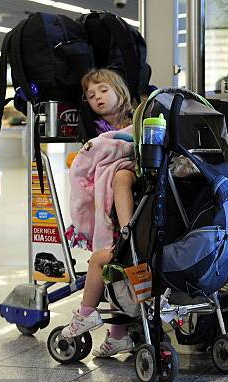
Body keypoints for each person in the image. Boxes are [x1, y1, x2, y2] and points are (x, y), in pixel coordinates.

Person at [62, 69, 137, 357]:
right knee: (114, 272)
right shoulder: (97, 132)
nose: (98, 98)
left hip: (134, 199)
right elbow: (90, 161)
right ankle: (118, 334)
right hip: (113, 214)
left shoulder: (140, 120)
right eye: (92, 96)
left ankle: (86, 314)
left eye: (103, 90)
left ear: (120, 90)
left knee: (106, 262)